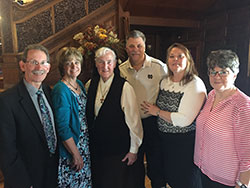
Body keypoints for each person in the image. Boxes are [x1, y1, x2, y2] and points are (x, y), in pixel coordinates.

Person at [141, 43, 206, 188]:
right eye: (172, 56)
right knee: (171, 179)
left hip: (183, 144)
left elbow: (184, 120)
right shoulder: (165, 81)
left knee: (185, 181)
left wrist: (156, 111)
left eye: (180, 56)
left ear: (188, 60)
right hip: (164, 141)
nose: (175, 60)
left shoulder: (194, 84)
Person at [0, 44, 58, 188]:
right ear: (22, 65)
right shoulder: (7, 100)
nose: (39, 68)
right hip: (26, 179)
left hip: (52, 175)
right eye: (33, 62)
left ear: (49, 68)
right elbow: (6, 150)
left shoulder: (50, 92)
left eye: (43, 63)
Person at [86, 47, 143, 188]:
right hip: (96, 150)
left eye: (109, 62)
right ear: (95, 63)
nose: (105, 66)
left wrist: (133, 150)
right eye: (101, 62)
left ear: (115, 63)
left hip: (117, 151)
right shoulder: (89, 85)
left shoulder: (125, 87)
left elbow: (134, 122)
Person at [194, 50, 250, 188]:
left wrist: (243, 184)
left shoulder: (242, 106)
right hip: (204, 170)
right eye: (213, 71)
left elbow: (248, 154)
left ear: (235, 75)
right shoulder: (212, 94)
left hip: (226, 180)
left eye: (223, 72)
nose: (217, 76)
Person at [119, 30, 167, 188]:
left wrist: (159, 108)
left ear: (145, 46)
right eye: (131, 46)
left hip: (152, 123)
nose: (135, 49)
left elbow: (170, 89)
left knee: (156, 164)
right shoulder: (121, 69)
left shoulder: (159, 67)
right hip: (130, 125)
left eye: (139, 45)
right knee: (134, 165)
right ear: (126, 48)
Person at [52, 47, 92, 188]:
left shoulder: (79, 84)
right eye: (69, 63)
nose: (74, 66)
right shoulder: (61, 90)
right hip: (72, 148)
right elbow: (62, 127)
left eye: (77, 62)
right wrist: (75, 154)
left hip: (84, 145)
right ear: (63, 67)